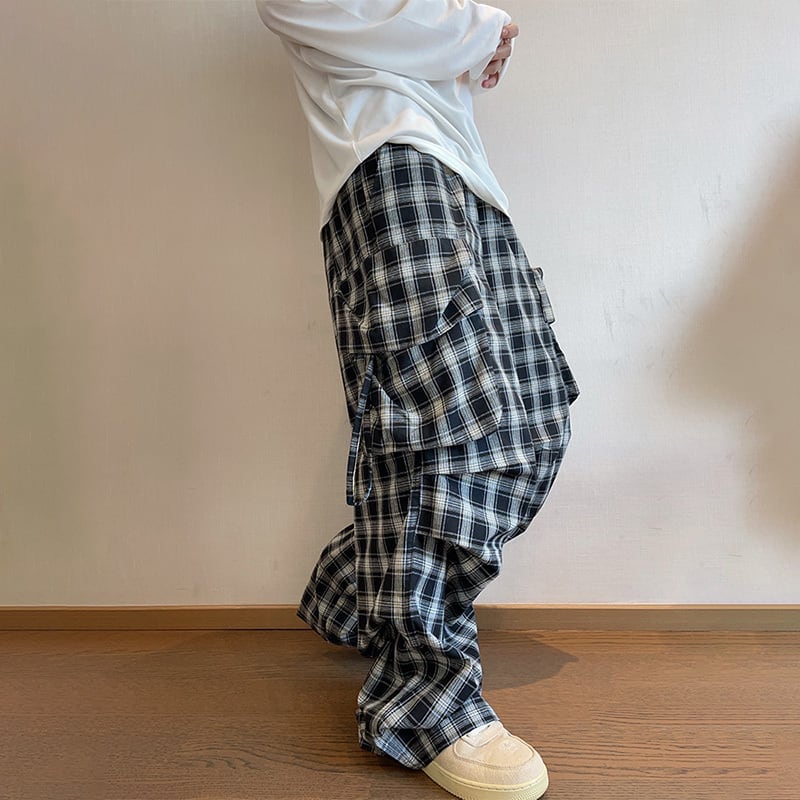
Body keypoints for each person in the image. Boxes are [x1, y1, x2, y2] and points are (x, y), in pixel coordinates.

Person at [255, 3, 580, 798]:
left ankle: (360, 589)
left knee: (537, 418)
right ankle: (425, 697)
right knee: (438, 436)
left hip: (467, 172)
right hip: (388, 159)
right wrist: (480, 28)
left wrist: (471, 39)